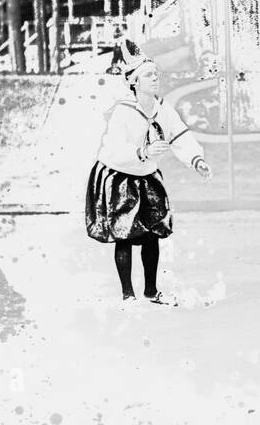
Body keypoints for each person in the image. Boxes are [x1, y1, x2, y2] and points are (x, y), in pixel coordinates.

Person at [85, 49, 212, 306]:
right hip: (119, 177)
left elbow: (178, 135)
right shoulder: (123, 111)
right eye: (148, 75)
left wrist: (195, 159)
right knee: (124, 234)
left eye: (156, 74)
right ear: (134, 81)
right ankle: (127, 295)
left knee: (152, 232)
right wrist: (142, 151)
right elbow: (111, 149)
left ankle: (151, 291)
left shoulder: (162, 108)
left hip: (146, 176)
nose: (155, 79)